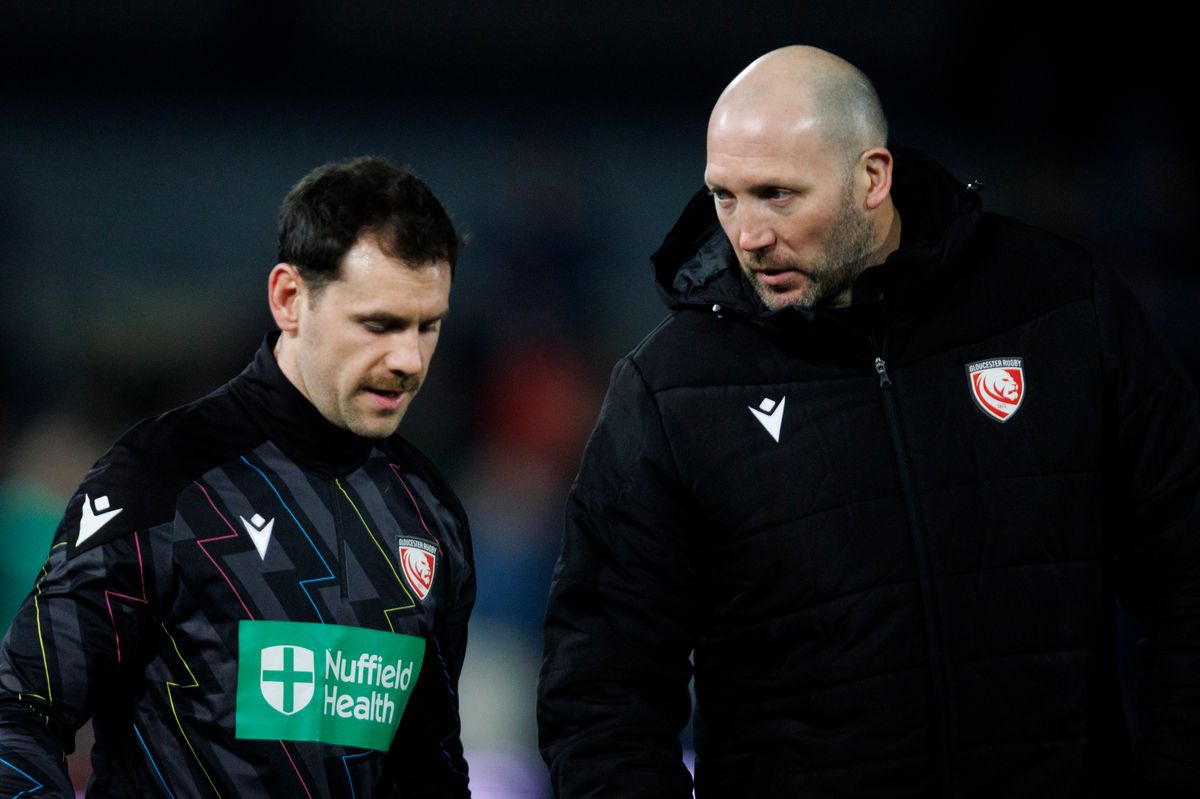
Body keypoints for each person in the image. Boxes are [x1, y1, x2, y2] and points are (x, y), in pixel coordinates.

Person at [537, 45, 1200, 797]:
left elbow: (1185, 568)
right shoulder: (671, 390)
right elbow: (602, 692)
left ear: (873, 178)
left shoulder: (1060, 310)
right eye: (725, 196)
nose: (746, 234)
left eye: (777, 195)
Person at [0, 156, 476, 797]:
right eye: (379, 324)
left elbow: (430, 773)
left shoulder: (428, 515)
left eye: (429, 325)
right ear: (289, 299)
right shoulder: (161, 479)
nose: (408, 359)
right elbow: (18, 715)